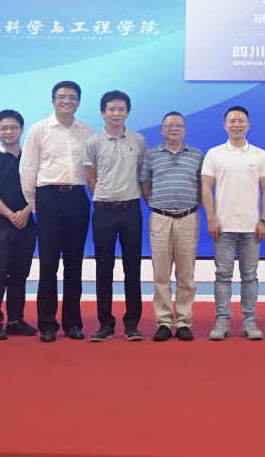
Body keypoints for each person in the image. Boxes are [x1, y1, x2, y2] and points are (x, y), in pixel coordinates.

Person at [20, 81, 95, 342]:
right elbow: (27, 170)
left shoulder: (87, 131)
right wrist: (36, 206)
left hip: (77, 198)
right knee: (49, 264)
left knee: (74, 264)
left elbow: (92, 170)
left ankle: (73, 323)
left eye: (72, 97)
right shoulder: (38, 129)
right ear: (53, 101)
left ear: (78, 102)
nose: (66, 101)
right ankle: (47, 324)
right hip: (48, 198)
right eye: (61, 96)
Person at [201, 106, 265, 341]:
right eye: (232, 121)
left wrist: (264, 220)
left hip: (252, 228)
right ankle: (222, 322)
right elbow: (206, 188)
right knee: (223, 275)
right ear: (225, 125)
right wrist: (211, 218)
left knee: (250, 276)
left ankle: (249, 322)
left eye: (241, 121)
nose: (236, 125)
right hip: (223, 227)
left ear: (248, 125)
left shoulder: (260, 154)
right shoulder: (214, 154)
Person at [84, 91, 148, 343]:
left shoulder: (138, 140)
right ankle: (106, 324)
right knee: (104, 269)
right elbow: (91, 180)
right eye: (111, 109)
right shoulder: (92, 142)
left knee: (133, 268)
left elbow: (141, 174)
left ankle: (132, 325)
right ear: (103, 112)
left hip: (131, 210)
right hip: (103, 212)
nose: (116, 113)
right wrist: (105, 200)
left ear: (128, 113)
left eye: (121, 109)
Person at [140, 112, 204, 342]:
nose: (174, 129)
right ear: (161, 130)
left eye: (178, 125)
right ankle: (164, 322)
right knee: (161, 273)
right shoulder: (151, 155)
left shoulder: (196, 155)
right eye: (169, 125)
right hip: (160, 219)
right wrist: (158, 207)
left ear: (185, 129)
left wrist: (191, 209)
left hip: (188, 218)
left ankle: (184, 322)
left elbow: (202, 187)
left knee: (186, 274)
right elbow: (145, 186)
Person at [0, 110, 38, 340]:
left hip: (27, 225)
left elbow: (40, 189)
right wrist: (12, 215)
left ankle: (15, 321)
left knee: (19, 275)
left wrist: (26, 211)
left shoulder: (32, 159)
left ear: (22, 129)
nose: (9, 132)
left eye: (13, 127)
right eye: (4, 128)